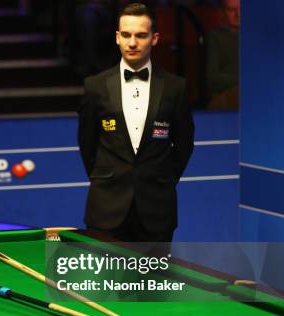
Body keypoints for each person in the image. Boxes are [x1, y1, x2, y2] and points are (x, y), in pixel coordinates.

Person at [77, 3, 194, 243]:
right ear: (117, 37)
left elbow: (184, 145)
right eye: (127, 35)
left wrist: (161, 180)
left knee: (154, 281)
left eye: (141, 35)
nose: (132, 43)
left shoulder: (176, 88)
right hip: (106, 210)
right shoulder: (95, 86)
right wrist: (108, 178)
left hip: (157, 211)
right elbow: (87, 145)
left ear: (154, 38)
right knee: (105, 281)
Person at [206, 0, 239, 109]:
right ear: (223, 12)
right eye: (231, 10)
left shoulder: (253, 36)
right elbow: (212, 78)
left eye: (240, 9)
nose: (237, 14)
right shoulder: (214, 37)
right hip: (227, 94)